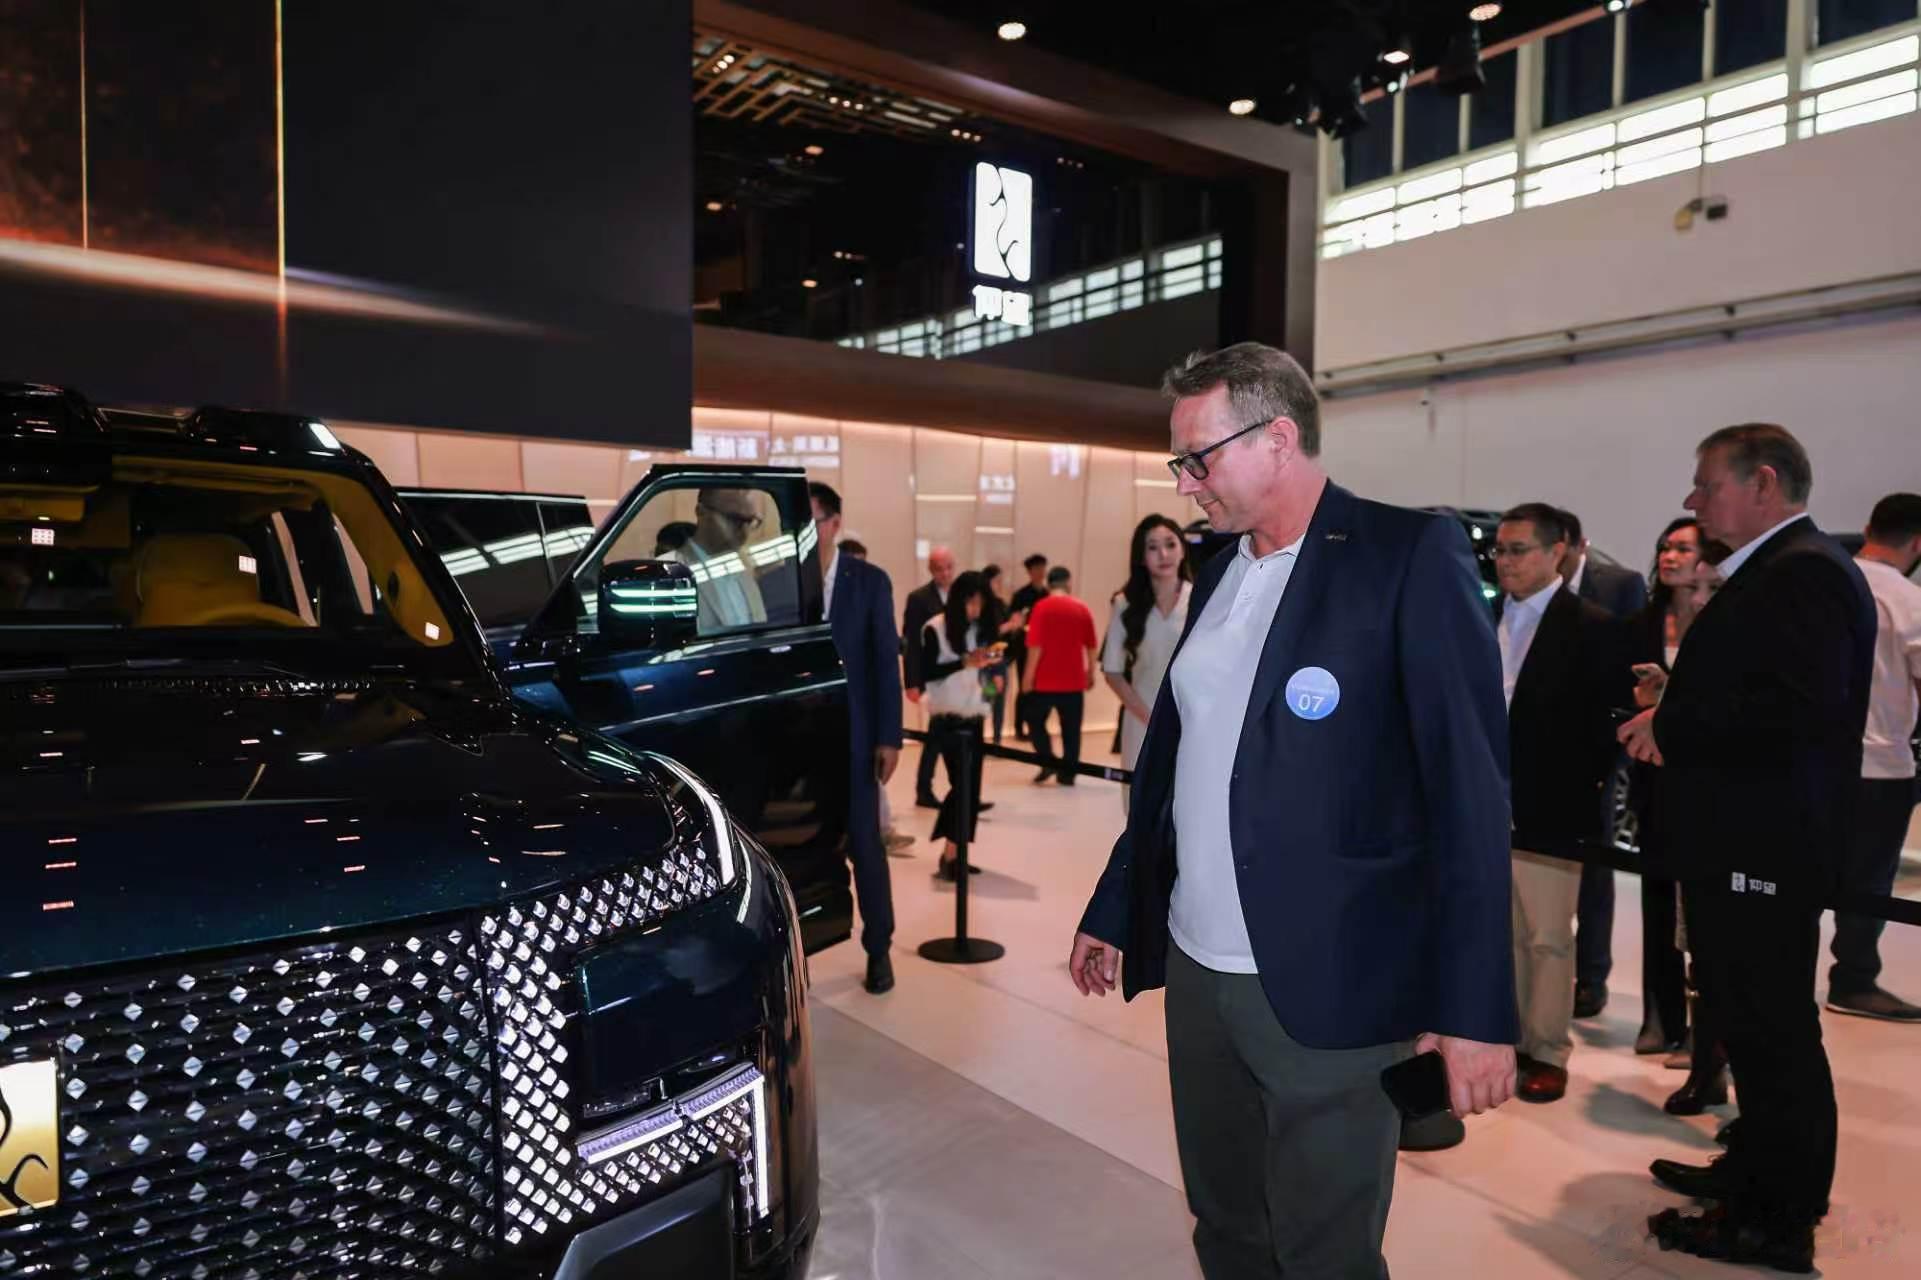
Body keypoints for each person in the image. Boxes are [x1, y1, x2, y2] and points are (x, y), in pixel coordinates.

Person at [1070, 343, 1516, 1279]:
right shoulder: (1218, 569)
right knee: (1225, 1223)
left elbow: (1469, 799)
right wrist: (1116, 905)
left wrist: (1473, 1010)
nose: (1184, 484)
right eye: (1177, 463)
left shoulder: (1405, 556)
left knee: (1326, 1251)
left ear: (1276, 439)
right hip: (1197, 969)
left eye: (1198, 459)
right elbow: (1176, 762)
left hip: (1335, 978)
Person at [1622, 424, 1875, 1271]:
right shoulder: (1779, 568)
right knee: (1746, 1015)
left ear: (1761, 483)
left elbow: (1792, 715)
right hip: (1744, 839)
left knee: (1772, 1031)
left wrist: (1672, 727)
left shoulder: (1801, 572)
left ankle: (1776, 1219)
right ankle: (1754, 1173)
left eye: (1706, 484)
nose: (1692, 500)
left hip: (1763, 846)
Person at [1494, 503, 1626, 1104]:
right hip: (1485, 803)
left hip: (1551, 807)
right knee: (1500, 931)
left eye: (1518, 550)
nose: (1506, 562)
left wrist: (1577, 788)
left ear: (1557, 552)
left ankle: (1547, 1049)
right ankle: (1506, 1038)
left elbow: (1607, 727)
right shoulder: (1483, 616)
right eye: (1500, 550)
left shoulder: (1592, 626)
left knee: (1547, 935)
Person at [1619, 517, 1713, 1058]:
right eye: (1665, 547)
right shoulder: (1643, 621)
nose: (1670, 556)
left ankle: (1706, 1031)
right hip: (1652, 778)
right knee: (1656, 902)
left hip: (1705, 780)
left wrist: (1668, 699)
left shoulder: (1721, 620)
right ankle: (1659, 1015)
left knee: (1700, 911)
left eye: (1683, 547)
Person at [1828, 492, 1921, 1021]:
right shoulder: (1909, 601)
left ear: (1868, 528)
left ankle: (1782, 974)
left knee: (1801, 870)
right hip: (1880, 764)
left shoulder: (1826, 581)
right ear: (1918, 543)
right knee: (1868, 880)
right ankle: (1854, 980)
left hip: (1811, 757)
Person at [809, 484, 905, 995]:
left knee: (865, 845)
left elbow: (885, 663)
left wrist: (889, 736)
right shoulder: (777, 580)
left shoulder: (868, 581)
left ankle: (879, 946)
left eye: (812, 521)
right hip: (797, 743)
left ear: (834, 523)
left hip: (853, 739)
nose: (804, 533)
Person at [1556, 506, 1649, 1020]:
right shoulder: (1518, 594)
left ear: (1575, 547)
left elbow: (1627, 663)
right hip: (1543, 745)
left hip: (1599, 745)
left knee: (1595, 865)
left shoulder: (1620, 586)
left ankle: (1591, 977)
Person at [1101, 514, 1192, 813]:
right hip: (1141, 720)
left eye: (1170, 544)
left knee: (1186, 808)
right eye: (1152, 547)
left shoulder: (1201, 598)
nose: (1163, 554)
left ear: (1182, 549)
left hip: (1191, 719)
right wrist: (1149, 717)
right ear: (1141, 556)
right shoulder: (1124, 604)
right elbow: (1112, 671)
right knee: (1141, 807)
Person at [918, 571, 999, 882]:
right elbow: (927, 673)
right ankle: (950, 855)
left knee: (970, 791)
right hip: (947, 718)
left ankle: (955, 854)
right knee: (961, 787)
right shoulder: (934, 628)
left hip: (974, 716)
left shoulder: (976, 630)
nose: (975, 610)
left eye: (980, 603)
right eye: (971, 602)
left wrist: (990, 678)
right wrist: (964, 662)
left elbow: (978, 676)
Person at [1022, 565, 1098, 786]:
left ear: (1049, 584)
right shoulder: (1081, 608)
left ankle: (1048, 760)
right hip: (1073, 681)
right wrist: (1090, 672)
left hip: (1044, 681)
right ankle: (1068, 774)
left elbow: (1035, 646)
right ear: (1068, 583)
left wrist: (1028, 677)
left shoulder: (1041, 608)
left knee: (1034, 721)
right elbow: (1091, 645)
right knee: (1072, 730)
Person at [902, 546, 959, 808]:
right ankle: (943, 788)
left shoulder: (962, 595)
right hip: (933, 676)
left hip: (959, 676)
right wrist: (912, 682)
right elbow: (911, 643)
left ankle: (948, 788)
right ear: (930, 570)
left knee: (943, 733)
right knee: (939, 732)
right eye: (939, 569)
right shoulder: (919, 599)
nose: (944, 573)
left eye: (948, 567)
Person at [672, 488, 768, 632]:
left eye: (750, 521)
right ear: (701, 512)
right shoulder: (673, 572)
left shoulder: (745, 572)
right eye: (734, 519)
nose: (744, 531)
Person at [1008, 553, 1049, 739]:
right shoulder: (1021, 595)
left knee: (1040, 688)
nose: (1040, 572)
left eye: (1042, 568)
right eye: (1036, 569)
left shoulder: (1048, 595)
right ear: (1029, 572)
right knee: (1025, 686)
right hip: (1024, 646)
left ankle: (1036, 726)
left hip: (1044, 647)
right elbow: (1014, 620)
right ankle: (1019, 728)